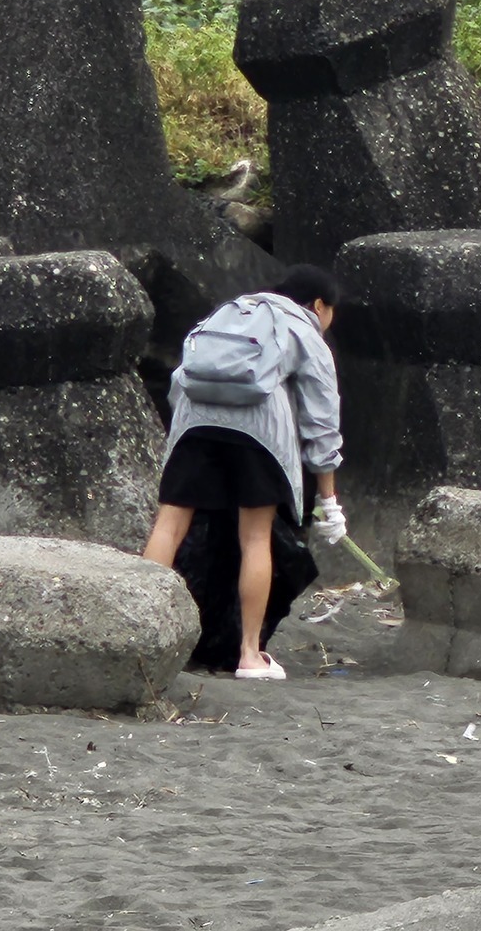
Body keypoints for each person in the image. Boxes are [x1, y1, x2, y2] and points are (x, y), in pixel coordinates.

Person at [142, 265, 348, 681]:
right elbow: (322, 422)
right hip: (259, 435)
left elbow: (182, 377)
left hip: (195, 425)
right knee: (255, 537)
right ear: (320, 306)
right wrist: (329, 500)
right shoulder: (304, 329)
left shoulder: (227, 314)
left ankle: (142, 635)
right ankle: (249, 655)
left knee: (169, 525)